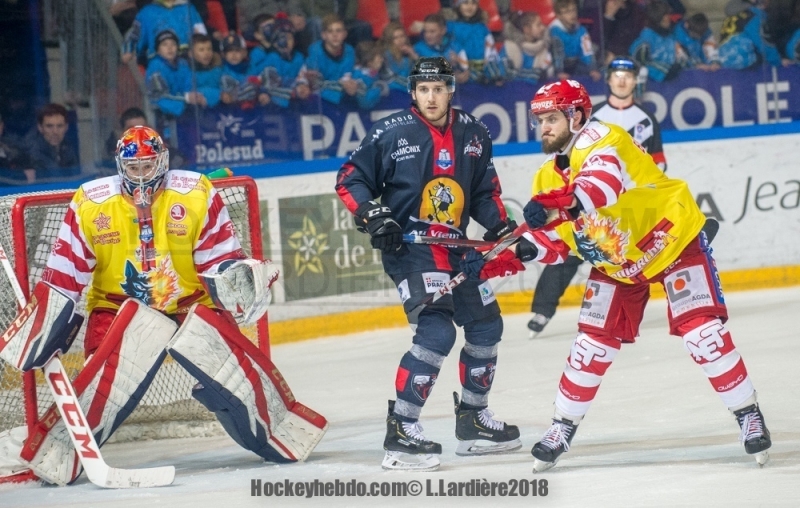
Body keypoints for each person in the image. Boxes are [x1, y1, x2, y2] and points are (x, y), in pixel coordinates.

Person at [464, 79, 772, 472]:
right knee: (589, 348)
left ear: (576, 116)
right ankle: (561, 427)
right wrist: (509, 256)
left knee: (703, 336)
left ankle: (748, 414)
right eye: (539, 120)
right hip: (618, 265)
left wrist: (566, 203)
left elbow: (602, 185)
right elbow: (561, 244)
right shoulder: (545, 177)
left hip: (672, 243)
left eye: (552, 118)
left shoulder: (604, 138)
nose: (543, 127)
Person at [0, 125, 327, 486]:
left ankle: (278, 429)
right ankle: (59, 450)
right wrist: (47, 323)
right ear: (120, 167)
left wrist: (238, 277)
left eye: (149, 164)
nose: (143, 174)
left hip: (191, 302)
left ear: (163, 161)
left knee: (234, 375)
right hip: (117, 306)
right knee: (103, 384)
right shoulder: (91, 202)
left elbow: (219, 260)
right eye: (135, 167)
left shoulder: (195, 194)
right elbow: (65, 274)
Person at [334, 56, 522, 472]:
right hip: (412, 249)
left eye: (439, 88)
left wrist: (501, 229)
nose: (431, 96)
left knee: (487, 324)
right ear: (413, 92)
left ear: (451, 90)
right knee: (436, 330)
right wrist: (373, 215)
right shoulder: (390, 132)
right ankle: (401, 429)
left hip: (457, 247)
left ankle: (473, 421)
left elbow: (484, 192)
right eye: (424, 89)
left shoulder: (474, 132)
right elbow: (350, 179)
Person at [526, 57, 666, 338]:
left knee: (645, 249)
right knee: (567, 248)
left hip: (622, 202)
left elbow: (657, 163)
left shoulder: (646, 119)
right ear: (610, 80)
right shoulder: (593, 116)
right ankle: (542, 309)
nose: (622, 80)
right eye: (617, 75)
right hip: (585, 199)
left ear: (635, 80)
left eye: (628, 75)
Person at [24, 103, 80, 182]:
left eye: (60, 126)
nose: (55, 131)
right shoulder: (32, 154)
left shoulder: (68, 149)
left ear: (66, 127)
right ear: (40, 128)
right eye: (49, 126)